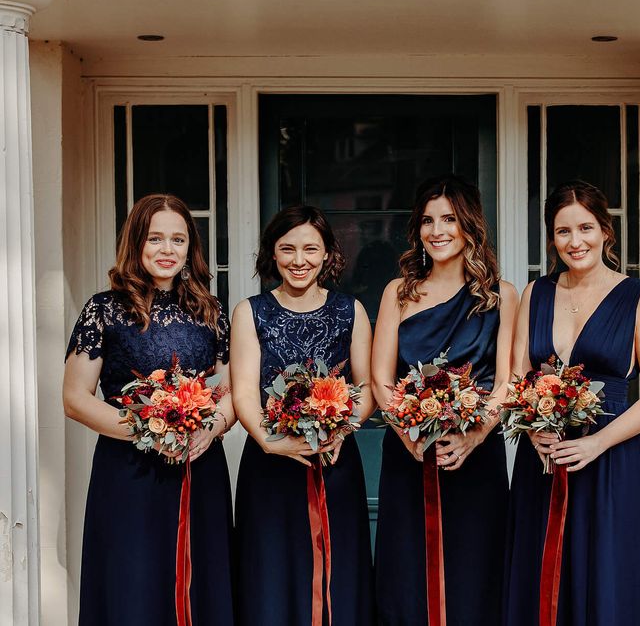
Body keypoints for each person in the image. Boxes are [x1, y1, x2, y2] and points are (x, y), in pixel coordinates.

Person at [503, 180, 640, 626]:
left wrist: (596, 444)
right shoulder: (535, 294)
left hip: (611, 460)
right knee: (539, 576)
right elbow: (520, 376)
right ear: (551, 239)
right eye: (562, 232)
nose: (575, 242)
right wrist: (531, 425)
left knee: (608, 577)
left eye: (585, 228)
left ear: (605, 232)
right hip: (541, 460)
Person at [63, 194, 236, 626]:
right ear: (136, 242)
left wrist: (211, 428)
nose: (167, 250)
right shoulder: (103, 309)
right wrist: (147, 430)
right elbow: (75, 398)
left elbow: (237, 389)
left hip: (199, 469)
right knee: (133, 585)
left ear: (190, 248)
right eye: (155, 238)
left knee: (201, 587)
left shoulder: (209, 311)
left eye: (178, 239)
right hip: (128, 473)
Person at [372, 174, 518, 625]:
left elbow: (508, 382)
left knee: (474, 575)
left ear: (469, 225)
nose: (437, 231)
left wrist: (474, 436)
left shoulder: (502, 297)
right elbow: (380, 380)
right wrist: (408, 433)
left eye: (449, 219)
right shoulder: (398, 293)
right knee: (407, 577)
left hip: (476, 461)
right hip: (408, 457)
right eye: (428, 221)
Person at [231, 205, 376, 625]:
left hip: (334, 463)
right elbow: (243, 392)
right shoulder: (250, 312)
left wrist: (340, 430)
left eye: (311, 249)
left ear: (328, 253)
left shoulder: (351, 310)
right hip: (269, 467)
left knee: (338, 573)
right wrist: (272, 442)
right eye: (287, 249)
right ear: (272, 254)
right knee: (272, 573)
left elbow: (366, 387)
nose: (299, 260)